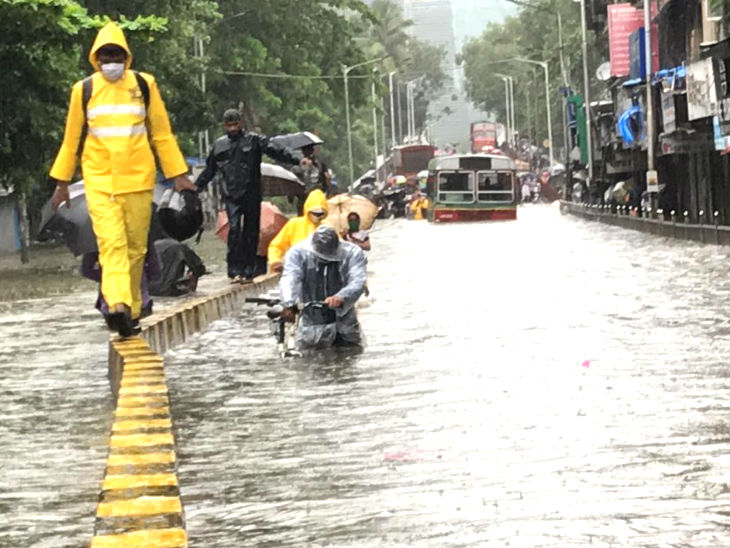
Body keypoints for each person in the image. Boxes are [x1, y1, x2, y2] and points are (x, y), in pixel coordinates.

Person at [50, 22, 195, 338]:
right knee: (112, 246)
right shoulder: (84, 90)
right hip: (100, 183)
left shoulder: (144, 85)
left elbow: (161, 133)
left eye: (116, 55)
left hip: (139, 182)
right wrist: (61, 183)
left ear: (126, 57)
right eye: (105, 56)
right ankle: (116, 304)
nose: (111, 62)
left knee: (135, 249)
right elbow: (71, 139)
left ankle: (128, 310)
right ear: (95, 59)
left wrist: (179, 175)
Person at [194, 109, 306, 282]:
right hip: (231, 195)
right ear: (224, 125)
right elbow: (209, 171)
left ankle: (248, 270)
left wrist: (297, 159)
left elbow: (276, 150)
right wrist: (195, 188)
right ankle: (234, 270)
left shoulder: (254, 140)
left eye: (235, 124)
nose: (232, 128)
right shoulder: (220, 145)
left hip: (252, 194)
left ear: (241, 123)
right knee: (234, 230)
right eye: (229, 125)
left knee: (251, 232)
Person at [279, 225, 367, 349]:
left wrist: (341, 297)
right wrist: (289, 303)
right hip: (309, 318)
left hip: (344, 318)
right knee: (308, 357)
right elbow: (290, 278)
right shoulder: (298, 253)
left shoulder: (352, 253)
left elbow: (358, 281)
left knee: (350, 353)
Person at [267, 189, 329, 273]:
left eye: (321, 214)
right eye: (315, 213)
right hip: (295, 270)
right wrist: (275, 261)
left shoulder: (327, 228)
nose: (317, 216)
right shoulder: (294, 224)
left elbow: (339, 250)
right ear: (308, 210)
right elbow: (276, 245)